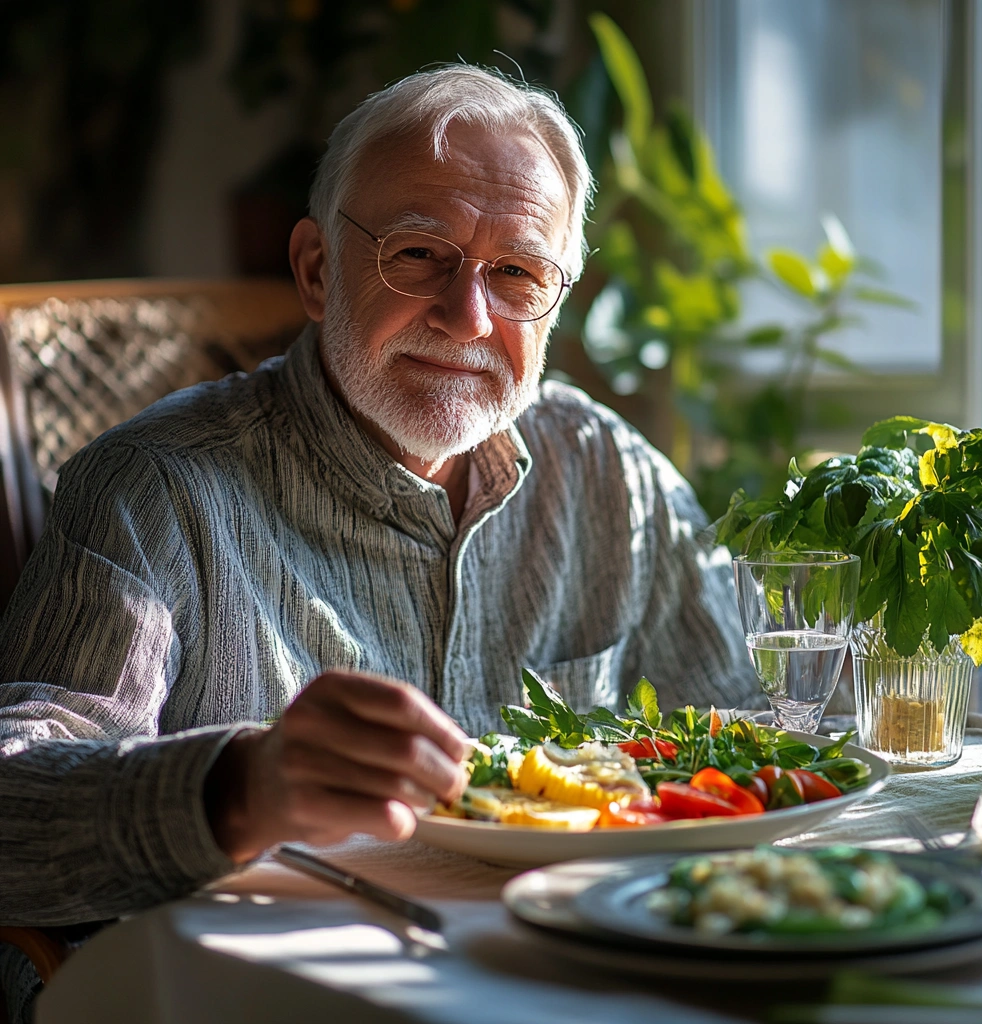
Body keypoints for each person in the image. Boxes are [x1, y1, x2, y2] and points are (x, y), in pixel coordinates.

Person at [0, 63, 755, 1018]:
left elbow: (752, 742)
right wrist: (236, 789)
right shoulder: (158, 489)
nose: (468, 316)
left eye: (517, 272)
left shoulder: (612, 476)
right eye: (418, 254)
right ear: (317, 270)